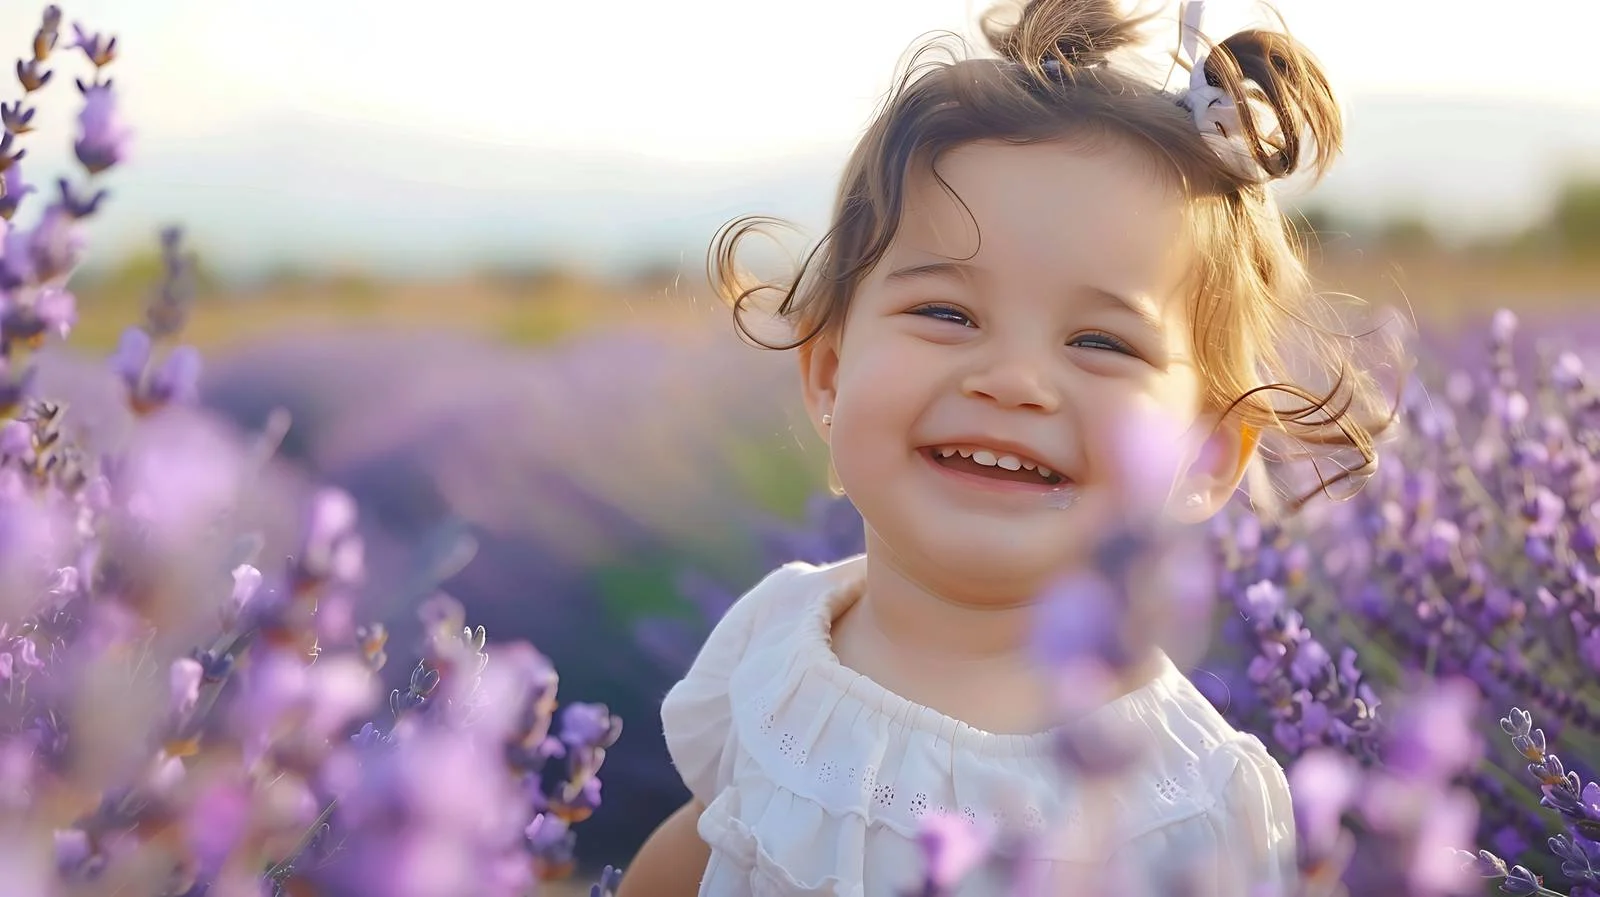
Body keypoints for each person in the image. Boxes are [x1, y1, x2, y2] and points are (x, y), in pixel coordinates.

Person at [620, 0, 1396, 893]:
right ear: (830, 375)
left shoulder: (1189, 799)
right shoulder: (779, 647)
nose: (1013, 380)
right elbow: (702, 845)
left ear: (1209, 456)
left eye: (1101, 341)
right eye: (946, 313)